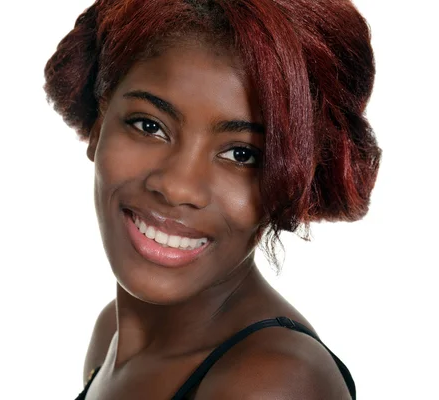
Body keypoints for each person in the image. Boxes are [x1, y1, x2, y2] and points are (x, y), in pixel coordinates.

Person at [44, 0, 380, 398]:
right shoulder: (111, 336)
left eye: (242, 154)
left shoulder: (271, 383)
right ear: (99, 125)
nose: (178, 187)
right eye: (149, 125)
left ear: (291, 181)